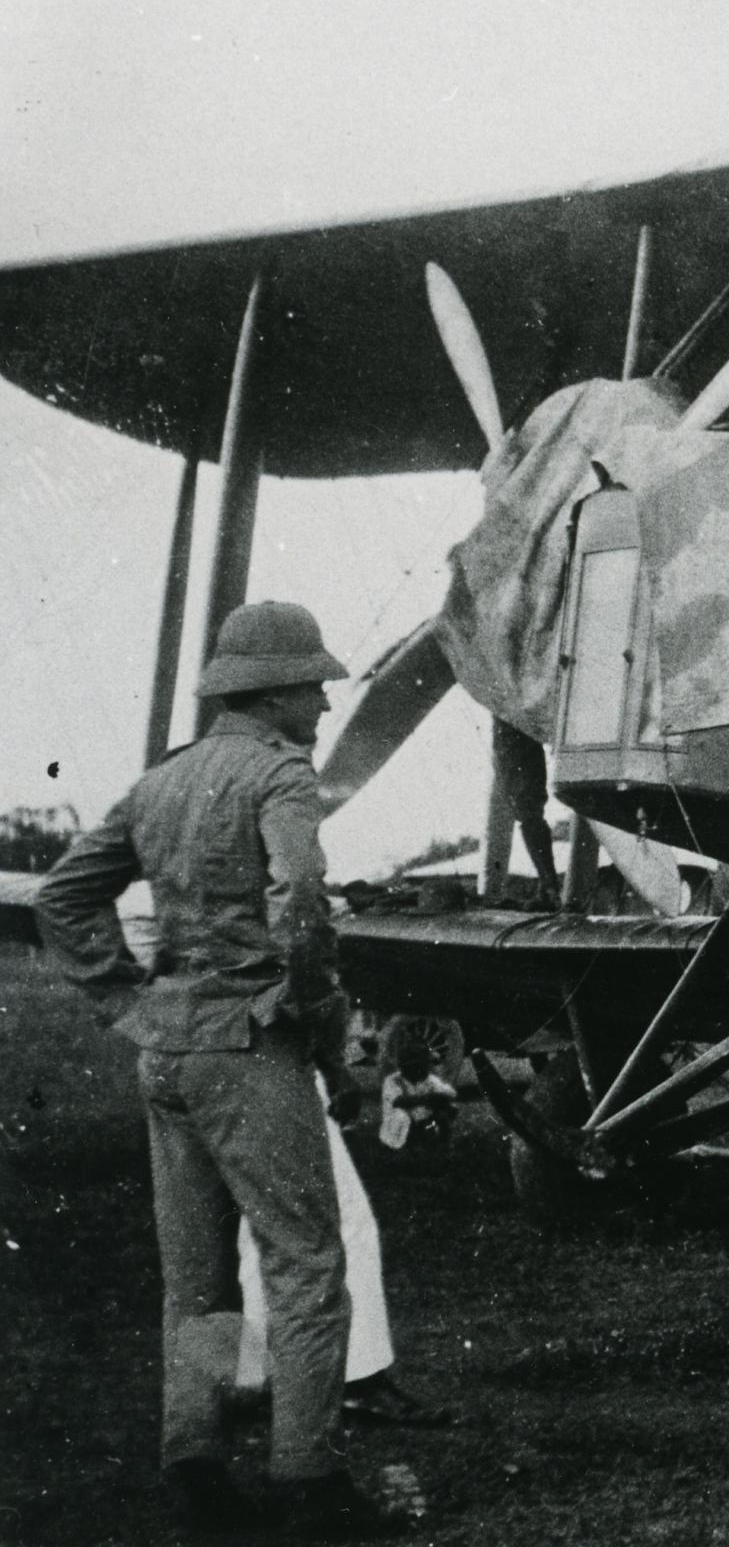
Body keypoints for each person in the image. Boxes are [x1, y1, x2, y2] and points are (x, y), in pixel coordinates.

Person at [35, 601, 406, 1537]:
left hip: (169, 1051)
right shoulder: (281, 775)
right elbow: (302, 911)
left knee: (196, 1280)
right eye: (313, 687)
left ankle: (194, 1461)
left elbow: (64, 894)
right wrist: (327, 1038)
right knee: (307, 1266)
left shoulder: (165, 779)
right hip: (251, 1049)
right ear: (273, 692)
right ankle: (309, 1479)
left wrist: (126, 1000)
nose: (324, 704)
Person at [229, 1075, 451, 1429]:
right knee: (347, 1220)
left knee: (260, 1218)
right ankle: (357, 1378)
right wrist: (332, 1066)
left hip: (217, 1065)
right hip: (272, 1063)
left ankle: (256, 1375)